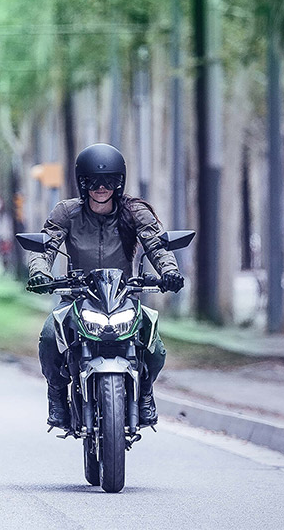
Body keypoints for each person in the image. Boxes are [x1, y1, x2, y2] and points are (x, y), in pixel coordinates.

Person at [27, 143, 185, 428]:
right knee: (50, 336)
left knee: (156, 348)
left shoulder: (135, 212)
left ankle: (146, 392)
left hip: (123, 298)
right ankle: (57, 396)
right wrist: (40, 273)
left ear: (120, 182)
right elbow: (45, 248)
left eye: (109, 181)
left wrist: (169, 272)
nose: (101, 187)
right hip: (77, 298)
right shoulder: (66, 212)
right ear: (82, 183)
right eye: (93, 181)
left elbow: (157, 246)